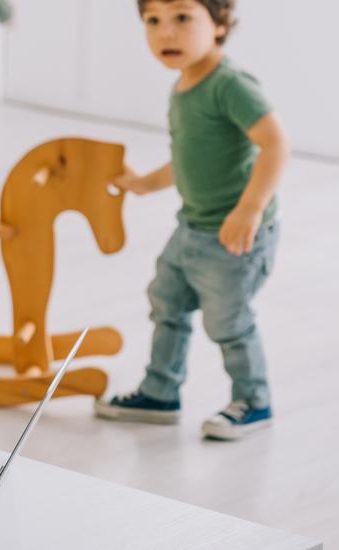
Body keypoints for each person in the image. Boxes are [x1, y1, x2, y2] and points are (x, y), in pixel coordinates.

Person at [94, 0, 290, 440]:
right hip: (191, 227)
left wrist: (250, 209)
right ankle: (160, 392)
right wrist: (145, 183)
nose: (166, 32)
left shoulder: (230, 84)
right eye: (154, 21)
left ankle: (255, 402)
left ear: (219, 24)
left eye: (182, 17)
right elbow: (188, 155)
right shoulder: (184, 84)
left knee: (228, 321)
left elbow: (276, 144)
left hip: (234, 236)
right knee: (167, 302)